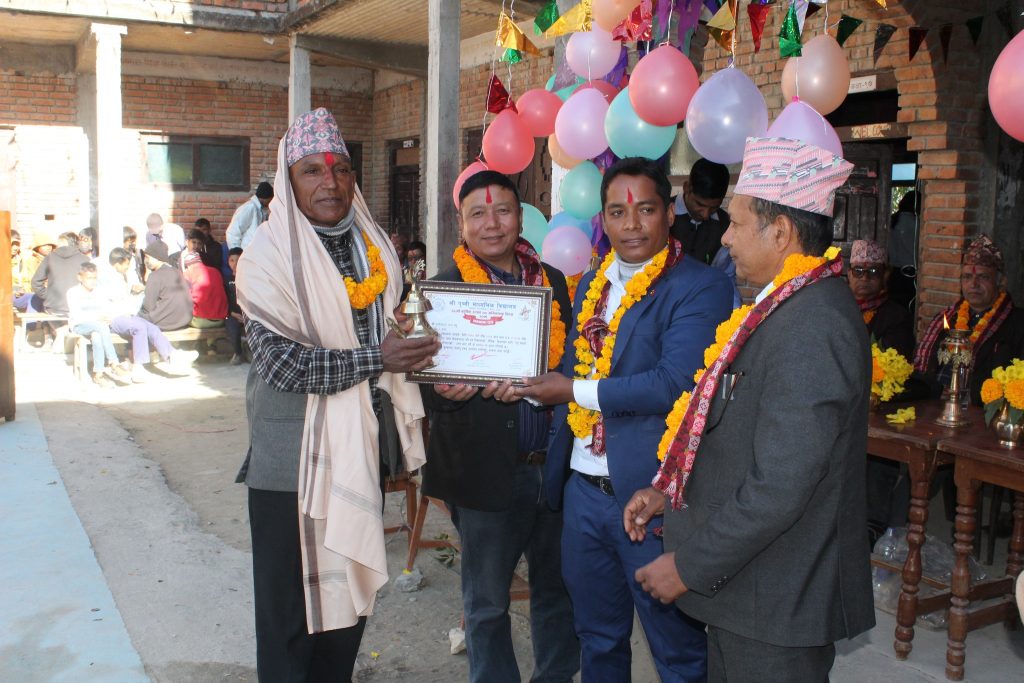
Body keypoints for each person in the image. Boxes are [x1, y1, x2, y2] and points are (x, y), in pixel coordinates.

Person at [624, 136, 874, 682]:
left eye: (736, 224)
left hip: (777, 603)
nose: (725, 237)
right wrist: (671, 492)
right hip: (751, 593)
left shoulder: (813, 326)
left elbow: (779, 486)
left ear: (780, 232)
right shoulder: (786, 305)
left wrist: (688, 567)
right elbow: (741, 435)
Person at [234, 107, 439, 682]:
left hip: (359, 454)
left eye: (341, 169)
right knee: (288, 622)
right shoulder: (266, 257)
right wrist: (380, 356)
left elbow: (396, 335)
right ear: (288, 181)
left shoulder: (375, 249)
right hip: (289, 467)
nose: (330, 182)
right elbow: (283, 366)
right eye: (312, 170)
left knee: (347, 612)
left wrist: (416, 342)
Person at [518, 157, 732, 682]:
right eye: (617, 212)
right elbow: (573, 367)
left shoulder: (699, 286)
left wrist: (570, 390)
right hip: (583, 493)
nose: (631, 225)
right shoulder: (594, 280)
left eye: (646, 210)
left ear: (669, 213)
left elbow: (673, 382)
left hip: (651, 496)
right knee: (597, 637)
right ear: (604, 219)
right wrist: (523, 386)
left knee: (677, 651)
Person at [421, 170, 579, 683]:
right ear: (461, 224)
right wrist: (442, 391)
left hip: (553, 467)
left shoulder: (552, 281)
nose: (492, 224)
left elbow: (571, 361)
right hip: (486, 471)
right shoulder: (443, 291)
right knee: (487, 603)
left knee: (558, 593)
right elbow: (426, 381)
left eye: (503, 211)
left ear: (521, 217)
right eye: (478, 214)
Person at [914, 235, 1024, 406]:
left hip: (984, 414)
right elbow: (922, 372)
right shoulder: (945, 319)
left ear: (1001, 282)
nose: (973, 284)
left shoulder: (1018, 324)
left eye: (983, 277)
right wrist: (936, 390)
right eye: (966, 277)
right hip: (934, 408)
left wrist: (968, 393)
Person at [107, 247, 197, 381]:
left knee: (151, 327)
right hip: (115, 317)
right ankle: (139, 366)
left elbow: (140, 303)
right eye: (126, 264)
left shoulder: (122, 276)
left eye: (148, 258)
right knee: (140, 326)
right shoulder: (108, 279)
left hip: (127, 315)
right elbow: (114, 302)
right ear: (117, 263)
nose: (128, 267)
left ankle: (171, 355)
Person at [672, 158, 740, 306]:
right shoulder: (660, 214)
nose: (706, 214)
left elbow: (726, 277)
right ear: (686, 187)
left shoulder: (725, 225)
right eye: (699, 204)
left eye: (714, 207)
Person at [65, 262, 132, 388]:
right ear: (80, 277)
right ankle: (114, 363)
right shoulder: (73, 292)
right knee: (100, 327)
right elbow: (77, 315)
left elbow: (107, 308)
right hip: (80, 325)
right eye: (89, 278)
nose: (92, 281)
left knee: (97, 336)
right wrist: (97, 318)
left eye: (95, 278)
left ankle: (98, 374)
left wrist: (108, 317)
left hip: (98, 327)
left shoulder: (99, 291)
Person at [848, 239, 915, 359]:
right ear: (849, 274)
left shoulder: (897, 317)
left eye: (873, 271)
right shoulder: (838, 307)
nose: (864, 278)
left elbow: (893, 362)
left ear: (885, 275)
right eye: (858, 271)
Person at [31, 231, 89, 317]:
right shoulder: (85, 259)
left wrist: (49, 296)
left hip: (54, 309)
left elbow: (36, 282)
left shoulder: (49, 258)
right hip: (78, 309)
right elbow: (92, 284)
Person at [139, 240, 193, 332]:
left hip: (165, 323)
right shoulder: (177, 271)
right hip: (184, 320)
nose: (145, 261)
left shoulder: (155, 276)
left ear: (157, 257)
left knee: (134, 316)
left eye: (147, 257)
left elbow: (148, 306)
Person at [182, 229, 228, 328]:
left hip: (201, 319)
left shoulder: (189, 272)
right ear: (187, 242)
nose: (196, 246)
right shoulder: (215, 271)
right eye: (193, 242)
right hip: (221, 319)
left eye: (199, 243)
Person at [888, 190, 918, 310]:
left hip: (894, 273)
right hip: (912, 274)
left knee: (896, 308)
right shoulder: (917, 223)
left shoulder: (893, 220)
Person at [226, 181, 273, 249]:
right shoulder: (249, 208)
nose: (271, 202)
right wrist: (236, 252)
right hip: (244, 252)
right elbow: (232, 233)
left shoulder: (262, 209)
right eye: (270, 199)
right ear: (265, 197)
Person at [224, 247, 246, 365]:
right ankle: (238, 353)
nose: (235, 264)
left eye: (238, 260)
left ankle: (253, 352)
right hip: (232, 314)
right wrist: (232, 313)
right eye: (232, 260)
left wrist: (247, 315)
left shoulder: (249, 279)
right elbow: (223, 299)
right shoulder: (226, 280)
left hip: (248, 314)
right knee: (232, 327)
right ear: (228, 262)